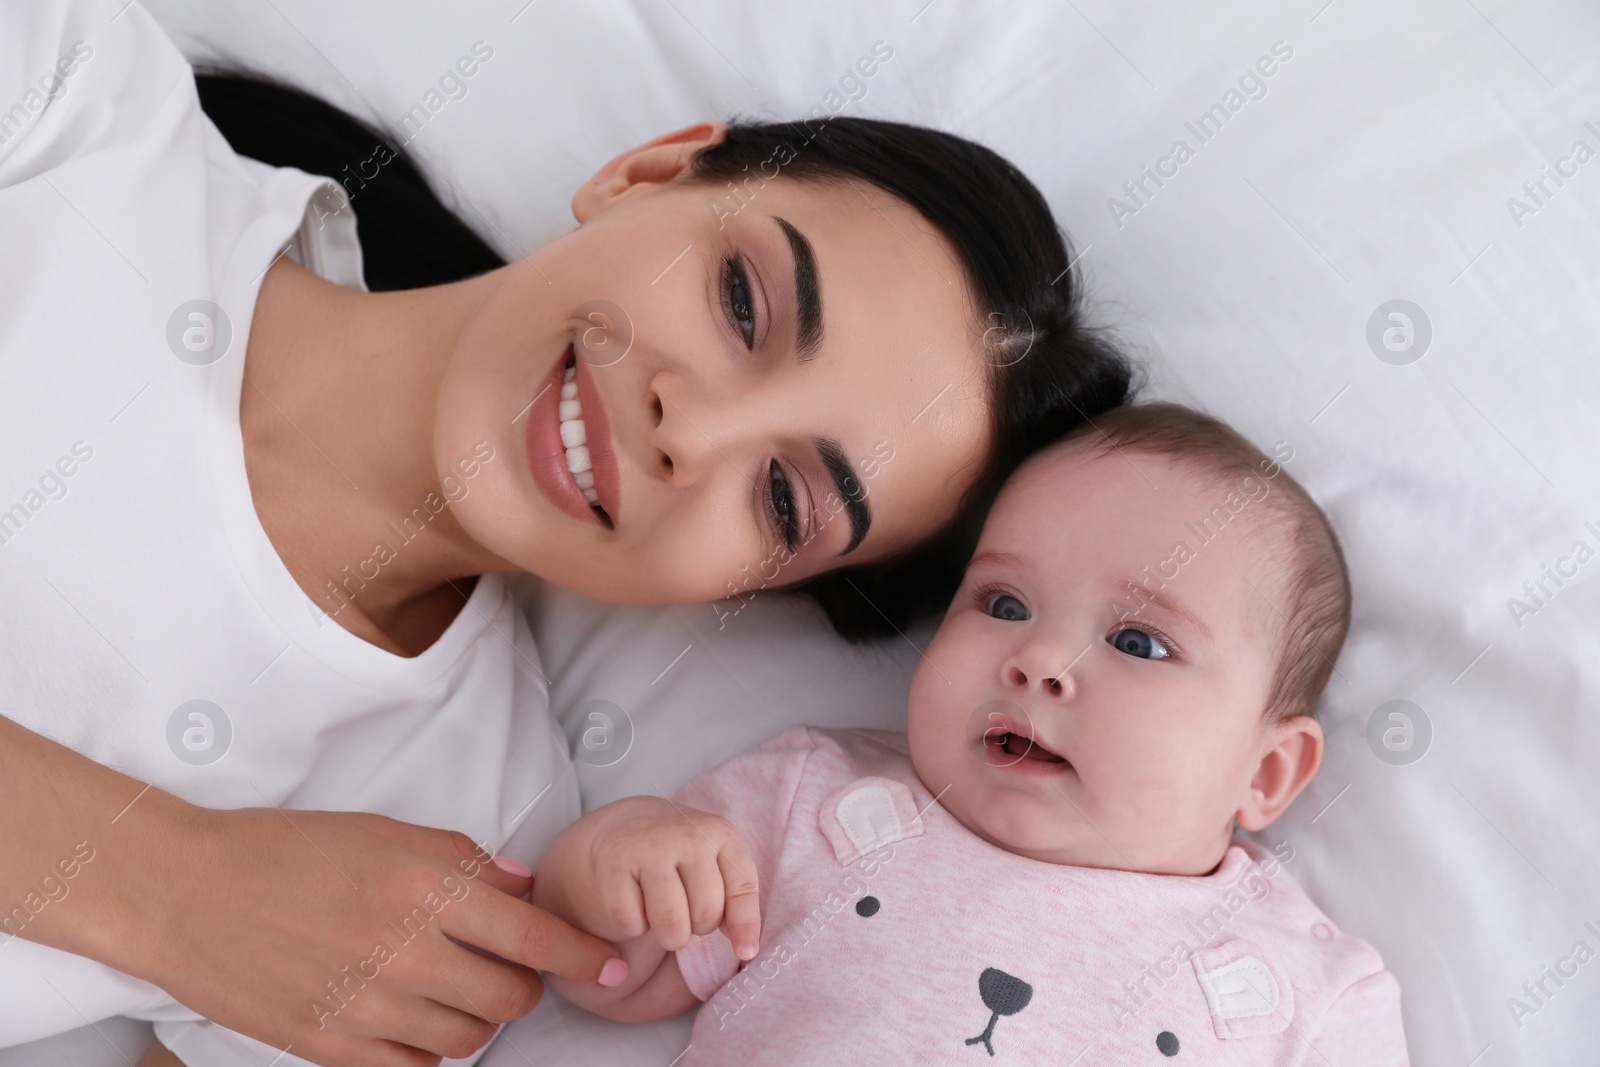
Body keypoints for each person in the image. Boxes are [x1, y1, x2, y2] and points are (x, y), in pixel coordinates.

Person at [0, 2, 1131, 1065]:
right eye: (743, 302)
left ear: (746, 590)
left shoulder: (457, 833)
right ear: (647, 173)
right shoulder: (66, 100)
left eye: (784, 500)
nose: (690, 428)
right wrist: (172, 885)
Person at [531, 403, 1411, 1063]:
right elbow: (609, 971)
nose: (1038, 660)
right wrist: (619, 858)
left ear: (1265, 771)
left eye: (1138, 641)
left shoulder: (1305, 992)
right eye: (1003, 603)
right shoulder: (819, 806)